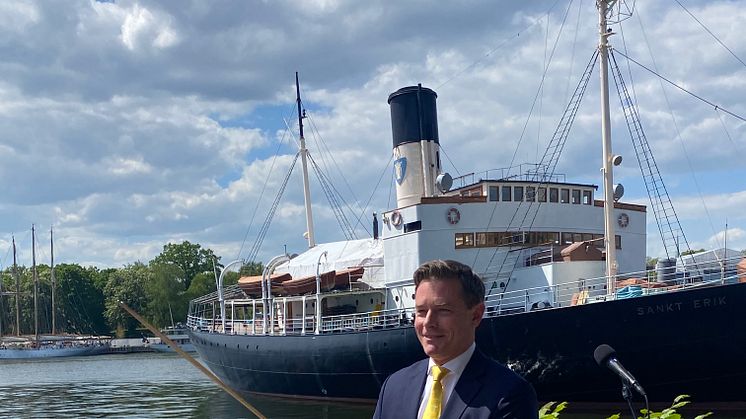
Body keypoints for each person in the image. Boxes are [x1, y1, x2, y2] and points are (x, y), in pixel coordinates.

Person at [373, 260, 538, 419]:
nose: (429, 323)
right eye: (421, 311)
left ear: (476, 315)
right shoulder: (394, 386)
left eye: (443, 310)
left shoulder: (510, 395)